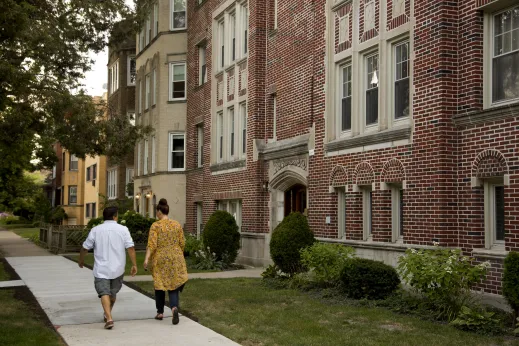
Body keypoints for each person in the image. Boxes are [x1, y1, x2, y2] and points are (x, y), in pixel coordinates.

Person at [79, 206, 137, 330]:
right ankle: (109, 317)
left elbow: (85, 247)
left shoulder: (96, 230)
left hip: (101, 268)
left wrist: (81, 260)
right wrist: (134, 264)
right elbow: (130, 248)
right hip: (118, 268)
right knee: (111, 292)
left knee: (105, 292)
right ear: (115, 216)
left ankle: (108, 315)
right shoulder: (123, 229)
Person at [143, 198, 188, 325]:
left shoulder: (155, 226)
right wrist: (179, 254)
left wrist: (146, 259)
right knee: (173, 284)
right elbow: (182, 242)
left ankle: (160, 312)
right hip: (175, 257)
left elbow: (151, 244)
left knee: (160, 284)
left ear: (159, 212)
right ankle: (174, 308)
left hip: (160, 258)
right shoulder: (176, 224)